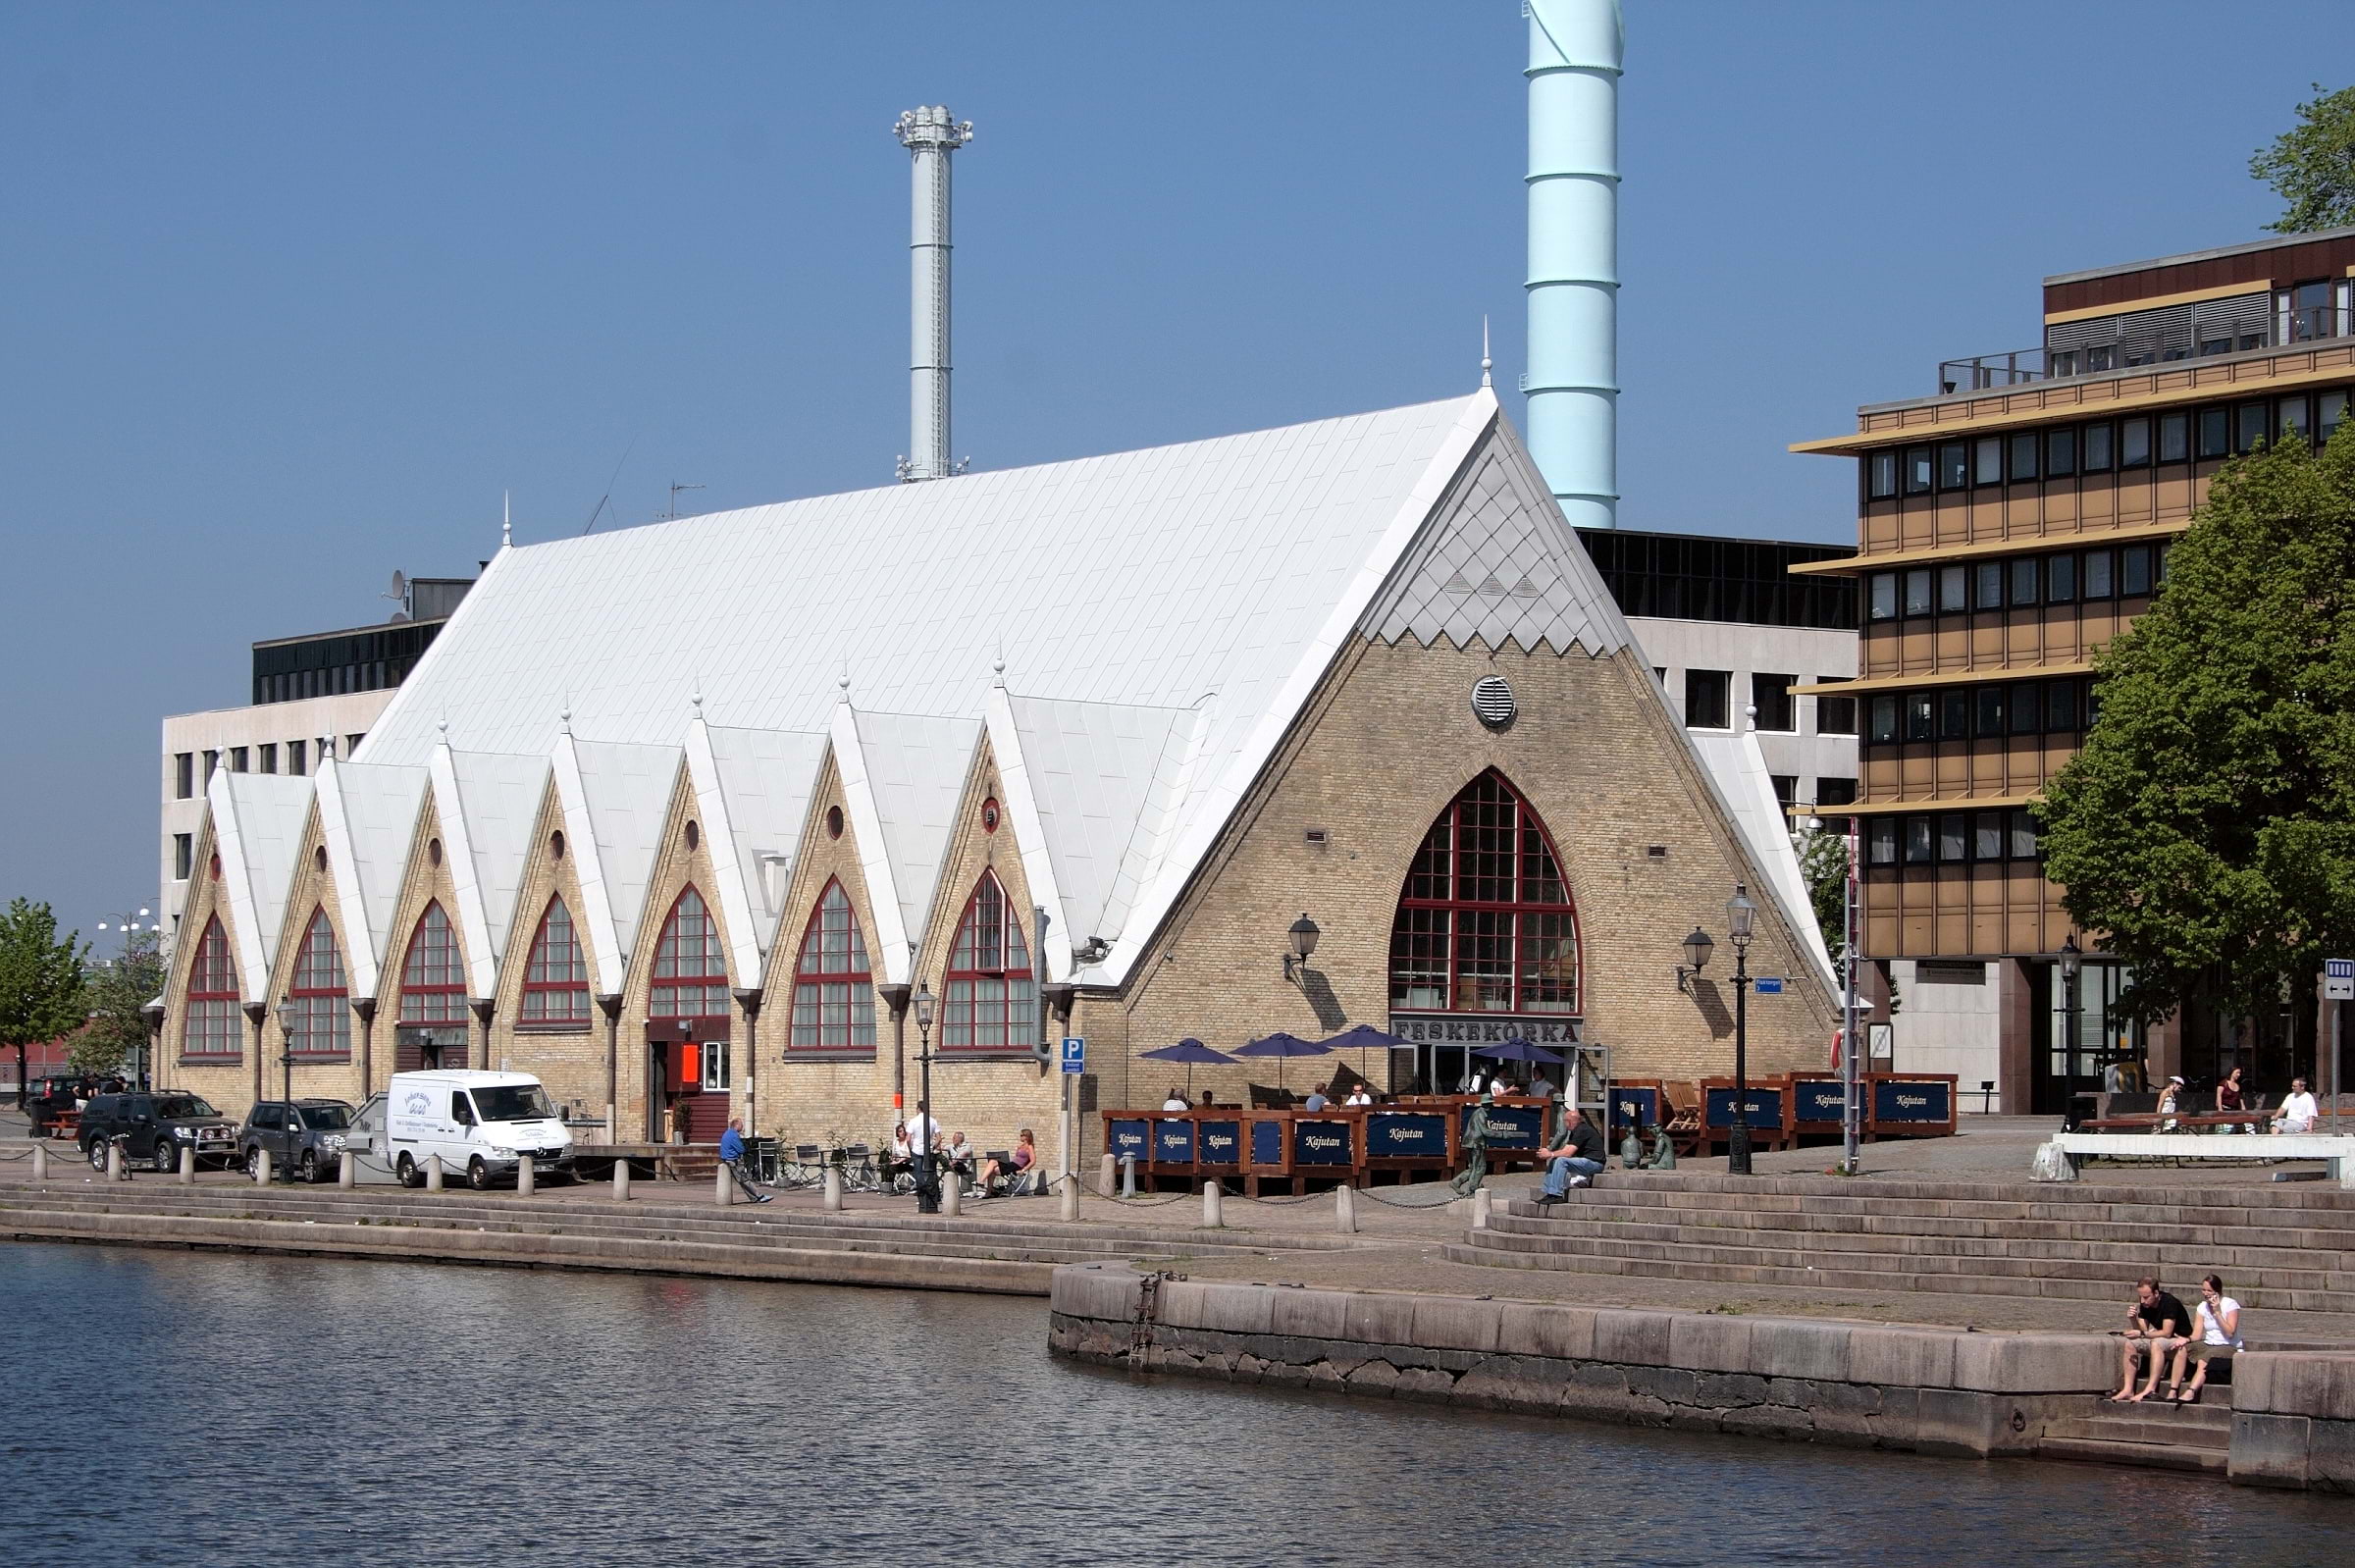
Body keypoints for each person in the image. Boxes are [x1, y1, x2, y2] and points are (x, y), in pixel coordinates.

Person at [2113, 1277, 2193, 1402]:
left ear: (2156, 1293)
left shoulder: (2169, 1302)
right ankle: (2128, 1389)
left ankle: (2150, 1388)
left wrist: (2142, 1333)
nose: (2143, 1301)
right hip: (2162, 1339)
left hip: (2179, 1340)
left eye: (2146, 1297)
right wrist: (2133, 1319)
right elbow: (2142, 1329)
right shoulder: (2146, 1304)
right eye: (2140, 1297)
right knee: (2130, 1344)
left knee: (2157, 1344)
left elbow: (2167, 1333)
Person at [2171, 1273, 2243, 1404]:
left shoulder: (2230, 1304)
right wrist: (2186, 1340)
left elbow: (2230, 1332)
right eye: (2204, 1290)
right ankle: (2173, 1389)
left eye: (2209, 1290)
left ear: (2217, 1291)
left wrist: (2217, 1312)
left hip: (2228, 1345)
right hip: (2209, 1343)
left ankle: (2191, 1391)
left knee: (2204, 1359)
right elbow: (2197, 1335)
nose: (2206, 1293)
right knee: (2183, 1349)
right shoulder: (2202, 1307)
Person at [1534, 1107, 1607, 1204]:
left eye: (1565, 1122)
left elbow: (1568, 1153)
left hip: (1595, 1164)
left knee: (1561, 1161)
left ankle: (1556, 1194)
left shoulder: (1582, 1130)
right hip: (1585, 1162)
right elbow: (1565, 1150)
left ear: (1569, 1122)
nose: (1565, 1124)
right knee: (1555, 1160)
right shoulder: (1576, 1131)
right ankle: (1549, 1192)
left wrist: (1550, 1154)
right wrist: (1551, 1154)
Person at [717, 1118, 773, 1204]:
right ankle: (759, 1196)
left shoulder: (727, 1133)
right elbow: (741, 1149)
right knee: (744, 1180)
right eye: (741, 1125)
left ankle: (754, 1198)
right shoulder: (733, 1135)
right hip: (733, 1161)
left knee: (742, 1181)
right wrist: (745, 1148)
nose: (743, 1127)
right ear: (736, 1125)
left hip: (725, 1159)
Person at [1449, 1091, 1493, 1196]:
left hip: (1471, 1142)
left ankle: (1456, 1182)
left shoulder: (1479, 1112)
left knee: (1473, 1167)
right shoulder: (1481, 1114)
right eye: (1491, 1104)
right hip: (1475, 1144)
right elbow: (1485, 1131)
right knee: (1480, 1167)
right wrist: (1503, 1135)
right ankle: (1473, 1188)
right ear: (1487, 1105)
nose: (1492, 1107)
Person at [978, 1127, 1039, 1197]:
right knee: (992, 1170)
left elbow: (1033, 1161)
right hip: (1012, 1164)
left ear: (1026, 1137)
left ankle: (981, 1181)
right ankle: (988, 1192)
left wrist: (1023, 1170)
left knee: (992, 1161)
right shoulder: (1020, 1146)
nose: (1020, 1137)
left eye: (1022, 1135)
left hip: (1016, 1166)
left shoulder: (1029, 1147)